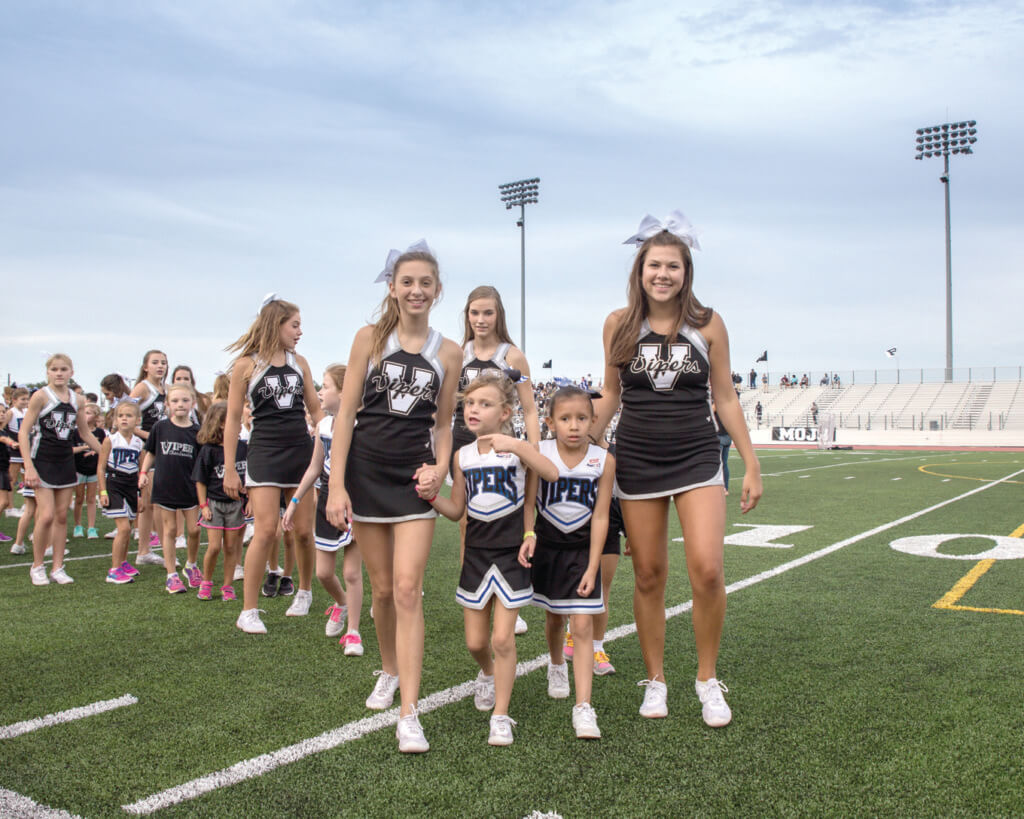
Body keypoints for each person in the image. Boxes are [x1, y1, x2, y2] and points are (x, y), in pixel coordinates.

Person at [592, 212, 762, 726]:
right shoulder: (617, 324)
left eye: (672, 266)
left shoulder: (708, 322)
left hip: (696, 455)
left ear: (686, 272)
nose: (662, 274)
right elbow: (611, 394)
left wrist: (752, 463)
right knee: (647, 574)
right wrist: (576, 448)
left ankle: (707, 679)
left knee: (707, 570)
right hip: (637, 459)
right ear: (640, 269)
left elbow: (726, 398)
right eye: (654, 265)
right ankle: (656, 680)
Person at [326, 241, 461, 753]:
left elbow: (444, 424)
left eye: (426, 282)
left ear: (438, 290)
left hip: (412, 480)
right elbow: (345, 417)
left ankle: (411, 712)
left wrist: (440, 467)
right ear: (392, 287)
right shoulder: (369, 338)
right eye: (408, 281)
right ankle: (388, 670)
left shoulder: (449, 352)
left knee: (408, 589)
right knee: (381, 591)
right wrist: (336, 485)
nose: (417, 290)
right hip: (364, 474)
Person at [430, 371, 558, 746]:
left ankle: (501, 714)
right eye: (469, 403)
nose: (473, 409)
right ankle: (487, 672)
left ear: (505, 412)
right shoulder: (462, 455)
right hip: (476, 555)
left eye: (484, 404)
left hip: (511, 553)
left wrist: (516, 446)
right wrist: (428, 497)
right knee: (475, 642)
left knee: (503, 638)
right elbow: (457, 511)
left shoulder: (517, 448)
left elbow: (549, 472)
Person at [519, 385, 614, 740]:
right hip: (547, 545)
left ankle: (584, 707)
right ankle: (556, 664)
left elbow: (602, 516)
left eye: (581, 418)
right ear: (550, 422)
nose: (573, 426)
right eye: (565, 418)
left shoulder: (603, 460)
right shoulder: (539, 453)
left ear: (593, 421)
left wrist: (593, 567)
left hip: (581, 550)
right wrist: (528, 534)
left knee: (584, 627)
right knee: (554, 616)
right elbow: (529, 503)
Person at [224, 294, 322, 633]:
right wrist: (228, 468)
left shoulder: (301, 363)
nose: (299, 332)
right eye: (294, 325)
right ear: (275, 325)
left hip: (300, 450)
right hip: (263, 452)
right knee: (265, 530)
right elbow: (232, 419)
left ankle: (305, 592)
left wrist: (330, 435)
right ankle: (248, 610)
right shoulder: (245, 365)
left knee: (304, 532)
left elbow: (316, 408)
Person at [452, 285, 541, 636]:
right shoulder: (458, 353)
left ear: (498, 315)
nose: (480, 320)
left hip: (504, 445)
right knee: (467, 522)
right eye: (474, 313)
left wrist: (532, 450)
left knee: (511, 516)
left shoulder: (512, 356)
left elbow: (530, 408)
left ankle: (509, 599)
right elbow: (447, 408)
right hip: (465, 442)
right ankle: (475, 595)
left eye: (487, 313)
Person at [282, 364, 365, 655]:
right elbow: (315, 467)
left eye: (326, 386)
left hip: (356, 501)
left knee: (353, 572)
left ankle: (354, 631)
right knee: (323, 573)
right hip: (328, 499)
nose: (320, 391)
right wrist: (294, 502)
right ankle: (341, 604)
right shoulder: (324, 426)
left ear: (344, 391)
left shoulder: (361, 424)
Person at [19, 354, 103, 585]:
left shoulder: (78, 399)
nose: (59, 373)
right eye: (54, 369)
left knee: (61, 516)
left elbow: (84, 433)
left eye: (63, 369)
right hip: (42, 461)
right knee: (45, 516)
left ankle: (57, 567)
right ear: (47, 372)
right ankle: (37, 566)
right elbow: (23, 432)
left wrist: (106, 454)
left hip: (65, 461)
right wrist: (28, 466)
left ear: (71, 372)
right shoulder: (40, 396)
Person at [139, 383, 202, 594]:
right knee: (171, 530)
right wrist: (143, 473)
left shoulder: (197, 431)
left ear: (193, 403)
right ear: (167, 404)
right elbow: (151, 452)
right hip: (165, 487)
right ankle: (171, 575)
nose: (180, 404)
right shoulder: (160, 427)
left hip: (189, 488)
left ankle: (191, 565)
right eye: (175, 401)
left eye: (185, 400)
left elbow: (202, 462)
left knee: (194, 530)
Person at [192, 401, 248, 601]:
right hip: (214, 504)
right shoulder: (209, 450)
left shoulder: (243, 447)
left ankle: (227, 585)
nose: (240, 424)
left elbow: (249, 477)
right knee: (214, 547)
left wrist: (248, 499)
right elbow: (200, 480)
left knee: (232, 548)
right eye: (237, 420)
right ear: (223, 423)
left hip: (236, 506)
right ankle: (206, 582)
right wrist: (203, 505)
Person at [98, 399, 145, 583]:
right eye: (120, 416)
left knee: (131, 528)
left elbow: (141, 472)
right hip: (114, 484)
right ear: (115, 420)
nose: (124, 419)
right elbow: (101, 468)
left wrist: (140, 495)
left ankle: (124, 562)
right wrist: (102, 492)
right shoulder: (110, 440)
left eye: (129, 415)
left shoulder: (138, 443)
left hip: (131, 486)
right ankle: (114, 570)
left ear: (137, 420)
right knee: (123, 528)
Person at [130, 351, 169, 565]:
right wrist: (154, 437)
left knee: (154, 503)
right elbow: (125, 418)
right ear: (146, 366)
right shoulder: (142, 388)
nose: (160, 366)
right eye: (155, 363)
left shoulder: (167, 389)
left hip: (163, 450)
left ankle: (145, 550)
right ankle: (147, 549)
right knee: (150, 502)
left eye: (163, 363)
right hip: (147, 450)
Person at [71, 402, 105, 538]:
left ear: (96, 416)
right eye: (84, 412)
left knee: (91, 499)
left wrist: (95, 452)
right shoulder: (75, 432)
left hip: (94, 469)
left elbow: (103, 450)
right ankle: (77, 526)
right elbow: (71, 450)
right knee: (79, 499)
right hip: (79, 469)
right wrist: (87, 447)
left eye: (89, 413)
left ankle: (91, 528)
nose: (85, 415)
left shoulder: (100, 432)